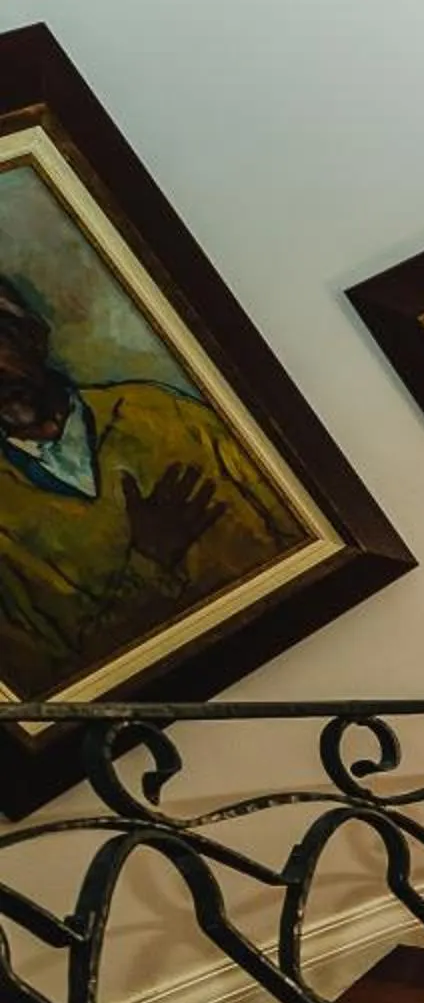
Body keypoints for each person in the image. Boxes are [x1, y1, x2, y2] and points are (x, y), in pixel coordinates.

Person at [0, 274, 304, 692]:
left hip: (307, 635)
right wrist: (147, 563)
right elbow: (55, 683)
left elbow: (298, 528)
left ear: (31, 337)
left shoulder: (162, 413)